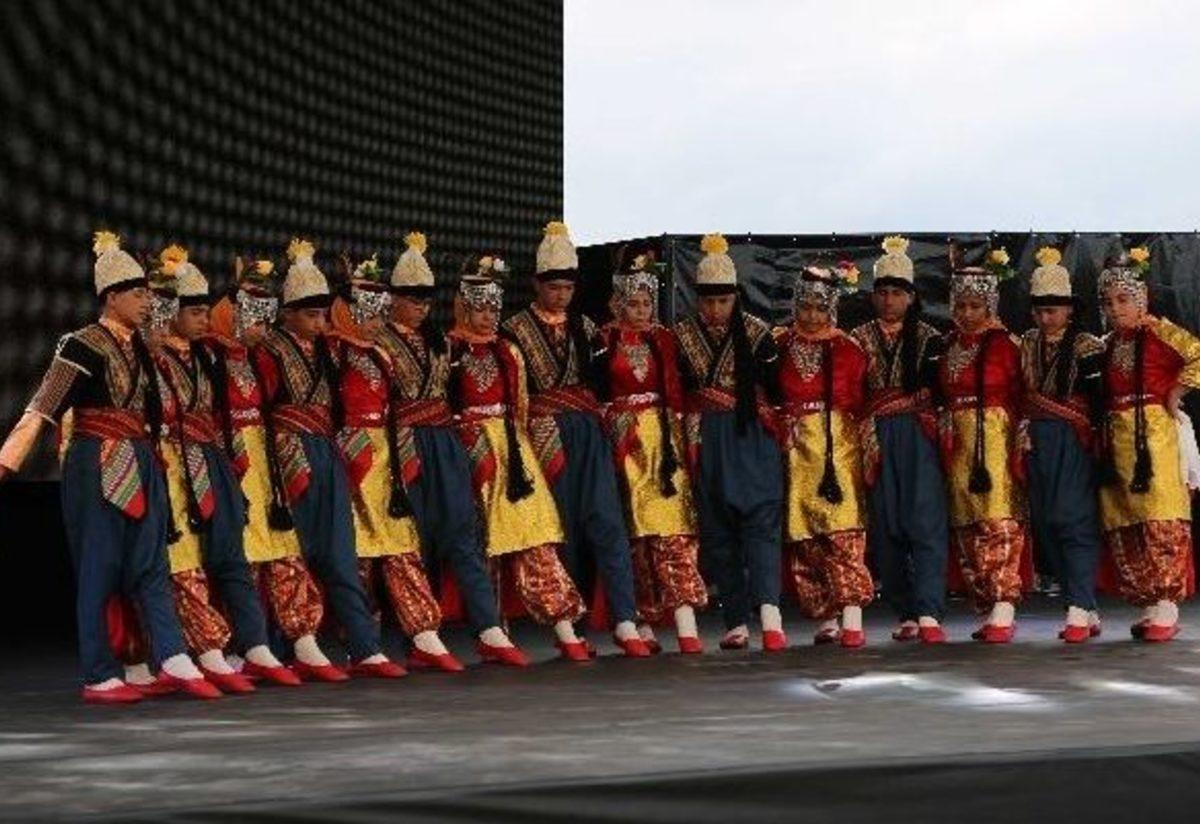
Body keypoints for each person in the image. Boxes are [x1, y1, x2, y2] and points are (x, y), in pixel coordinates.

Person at [0, 232, 214, 702]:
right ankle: (99, 672)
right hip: (96, 461)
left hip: (141, 457)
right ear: (111, 297)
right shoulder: (82, 344)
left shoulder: (141, 349)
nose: (146, 302)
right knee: (100, 567)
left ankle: (169, 655)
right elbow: (44, 405)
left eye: (147, 294)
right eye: (137, 294)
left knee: (151, 563)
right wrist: (8, 460)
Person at [252, 238, 405, 679]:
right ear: (287, 314)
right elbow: (260, 411)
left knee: (340, 551)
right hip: (287, 455)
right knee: (291, 551)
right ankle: (294, 644)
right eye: (311, 316)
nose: (320, 324)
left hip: (325, 449)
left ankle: (364, 645)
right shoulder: (270, 352)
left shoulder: (331, 349)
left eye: (323, 315)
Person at [376, 235, 529, 667]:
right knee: (415, 539)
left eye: (427, 299)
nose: (421, 307)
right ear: (393, 299)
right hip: (404, 443)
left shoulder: (440, 341)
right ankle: (419, 634)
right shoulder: (381, 342)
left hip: (444, 441)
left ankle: (488, 627)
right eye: (413, 299)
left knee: (463, 532)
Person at [148, 246, 295, 692]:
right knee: (184, 557)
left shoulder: (206, 355)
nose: (203, 320)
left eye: (204, 312)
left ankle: (255, 645)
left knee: (230, 552)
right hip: (172, 460)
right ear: (170, 313)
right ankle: (207, 650)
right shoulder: (155, 356)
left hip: (211, 456)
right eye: (193, 313)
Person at [501, 222, 649, 657]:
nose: (561, 295)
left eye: (568, 288)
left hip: (588, 429)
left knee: (607, 522)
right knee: (562, 528)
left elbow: (603, 384)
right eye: (554, 288)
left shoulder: (587, 328)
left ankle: (625, 618)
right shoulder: (513, 331)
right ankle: (570, 624)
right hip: (544, 434)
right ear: (537, 284)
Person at [447, 260, 589, 660]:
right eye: (480, 309)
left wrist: (521, 447)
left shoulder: (508, 350)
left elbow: (521, 404)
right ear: (464, 308)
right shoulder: (451, 349)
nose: (488, 316)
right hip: (471, 447)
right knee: (485, 541)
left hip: (512, 450)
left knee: (535, 532)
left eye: (494, 309)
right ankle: (492, 630)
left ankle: (563, 625)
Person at [328, 252, 462, 672]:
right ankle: (362, 643)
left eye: (378, 315)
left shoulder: (379, 354)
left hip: (388, 450)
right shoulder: (333, 351)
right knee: (360, 551)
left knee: (402, 541)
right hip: (351, 453)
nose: (375, 324)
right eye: (368, 316)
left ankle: (423, 632)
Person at [206, 256, 331, 678]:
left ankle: (298, 636)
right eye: (255, 320)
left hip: (263, 456)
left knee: (281, 546)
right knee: (239, 554)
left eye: (265, 319)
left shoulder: (258, 359)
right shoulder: (210, 355)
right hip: (227, 455)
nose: (263, 329)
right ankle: (238, 646)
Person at [674, 233, 787, 652]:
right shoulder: (681, 337)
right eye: (708, 301)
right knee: (719, 534)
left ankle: (771, 617)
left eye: (723, 301)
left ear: (736, 298)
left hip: (751, 439)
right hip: (707, 441)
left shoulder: (758, 336)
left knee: (761, 529)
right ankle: (736, 620)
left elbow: (776, 391)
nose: (715, 309)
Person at [596, 247, 707, 654]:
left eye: (647, 303)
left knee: (674, 526)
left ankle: (686, 620)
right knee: (635, 534)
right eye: (634, 304)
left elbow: (680, 386)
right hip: (625, 442)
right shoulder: (604, 339)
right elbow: (599, 391)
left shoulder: (665, 337)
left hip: (664, 440)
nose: (641, 310)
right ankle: (642, 619)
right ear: (619, 303)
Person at [1096, 246, 1200, 642]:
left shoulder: (1162, 332)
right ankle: (1147, 603)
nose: (1116, 309)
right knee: (1127, 521)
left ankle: (1167, 604)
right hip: (1117, 437)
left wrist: (1175, 392)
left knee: (1160, 516)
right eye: (1109, 302)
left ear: (1142, 298)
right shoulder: (1107, 344)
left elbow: (1198, 356)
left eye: (1123, 300)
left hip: (1154, 435)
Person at [849, 237, 949, 644]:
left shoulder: (931, 339)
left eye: (897, 293)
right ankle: (906, 610)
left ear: (911, 297)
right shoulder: (856, 339)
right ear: (874, 296)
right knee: (885, 527)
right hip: (874, 437)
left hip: (918, 435)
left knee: (924, 523)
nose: (889, 300)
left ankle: (929, 611)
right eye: (883, 293)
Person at [777, 264, 873, 648]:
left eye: (820, 308)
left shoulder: (848, 348)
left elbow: (860, 400)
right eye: (806, 307)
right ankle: (827, 615)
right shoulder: (780, 344)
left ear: (832, 309)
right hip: (797, 446)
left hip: (838, 445)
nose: (812, 316)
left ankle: (852, 614)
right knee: (806, 534)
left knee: (843, 528)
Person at [940, 248, 1029, 643]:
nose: (967, 313)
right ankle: (988, 604)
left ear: (990, 304)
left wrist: (1020, 437)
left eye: (975, 305)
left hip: (995, 436)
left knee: (998, 519)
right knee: (967, 524)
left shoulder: (1008, 344)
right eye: (961, 305)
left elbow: (1025, 392)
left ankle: (1004, 606)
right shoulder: (948, 345)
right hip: (958, 440)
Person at [1017, 246, 1105, 642]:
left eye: (1052, 310)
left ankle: (1078, 609)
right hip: (1036, 439)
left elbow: (1099, 403)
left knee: (1073, 519)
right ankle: (1082, 604)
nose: (1044, 317)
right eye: (1039, 310)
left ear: (1069, 309)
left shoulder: (1088, 346)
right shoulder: (1026, 342)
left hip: (1073, 439)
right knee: (1047, 523)